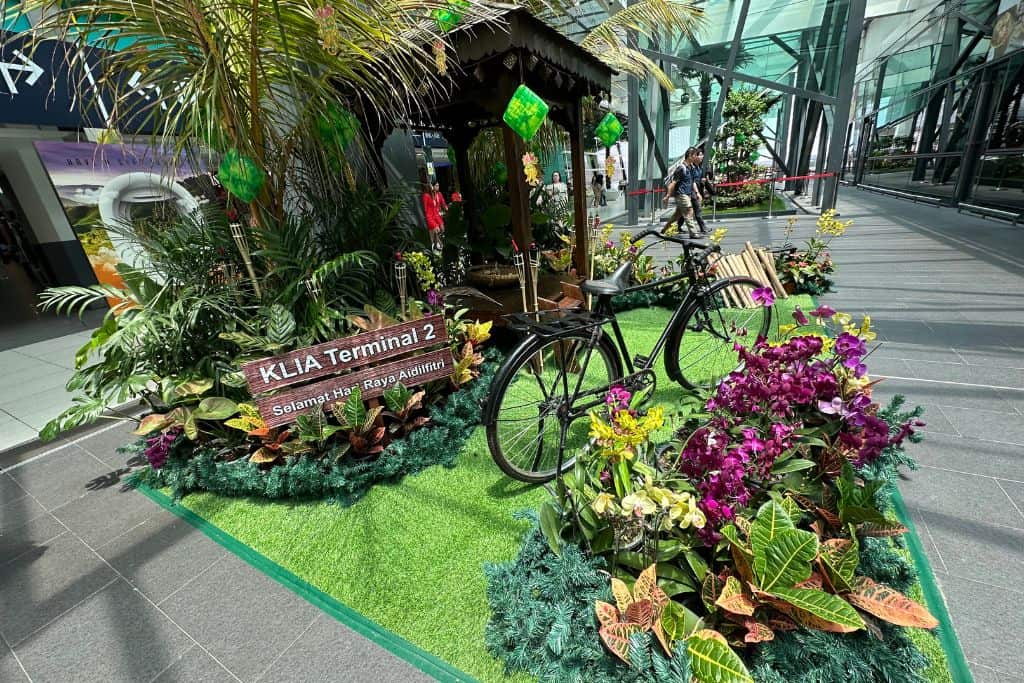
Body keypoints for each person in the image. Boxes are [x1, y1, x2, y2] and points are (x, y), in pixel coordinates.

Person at [663, 148, 700, 237]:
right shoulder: (681, 168)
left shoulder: (691, 168)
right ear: (690, 156)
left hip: (688, 194)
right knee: (689, 211)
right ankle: (693, 233)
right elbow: (673, 182)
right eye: (695, 155)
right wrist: (667, 195)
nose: (696, 157)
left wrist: (697, 192)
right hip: (681, 194)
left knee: (676, 216)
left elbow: (692, 181)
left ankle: (664, 230)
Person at [422, 181, 447, 250]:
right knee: (436, 230)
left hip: (435, 215)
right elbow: (425, 208)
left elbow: (440, 204)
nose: (437, 187)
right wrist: (427, 217)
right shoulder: (426, 196)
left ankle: (436, 244)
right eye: (435, 186)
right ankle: (439, 244)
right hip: (430, 216)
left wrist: (444, 210)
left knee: (441, 229)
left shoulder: (434, 195)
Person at [689, 148, 709, 235]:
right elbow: (692, 181)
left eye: (702, 155)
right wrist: (697, 193)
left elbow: (698, 180)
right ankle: (703, 227)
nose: (702, 156)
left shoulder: (699, 168)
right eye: (700, 155)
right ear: (695, 156)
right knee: (697, 209)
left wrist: (702, 180)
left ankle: (678, 225)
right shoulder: (691, 168)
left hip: (697, 190)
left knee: (684, 212)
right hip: (692, 191)